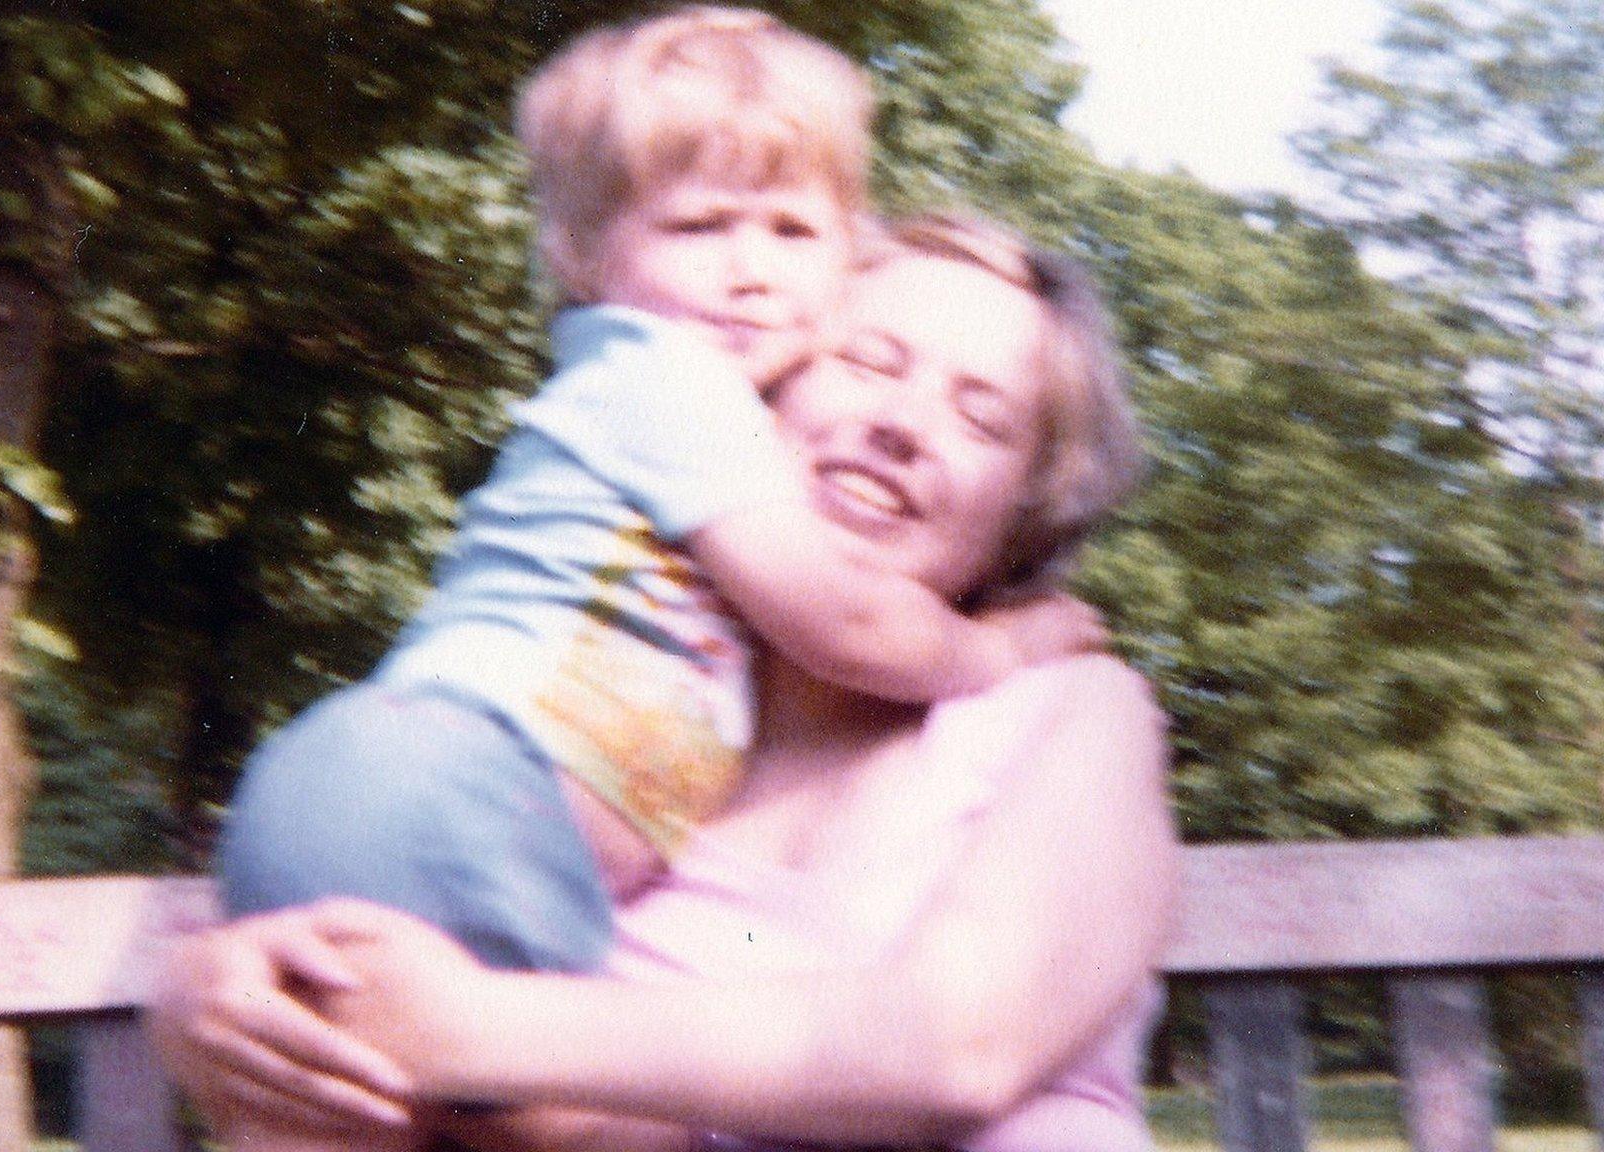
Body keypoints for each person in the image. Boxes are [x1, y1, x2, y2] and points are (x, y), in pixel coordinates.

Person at [152, 214, 1178, 1152]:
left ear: (1023, 516)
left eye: (981, 419)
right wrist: (225, 1003)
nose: (901, 425)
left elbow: (957, 1046)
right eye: (867, 361)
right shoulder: (600, 743)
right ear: (755, 391)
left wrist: (460, 1027)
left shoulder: (1071, 713)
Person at [218, 1, 1100, 1004]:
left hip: (429, 806)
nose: (750, 272)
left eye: (792, 231)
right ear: (586, 258)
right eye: (699, 226)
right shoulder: (662, 380)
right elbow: (846, 621)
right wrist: (1004, 648)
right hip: (458, 800)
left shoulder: (692, 421)